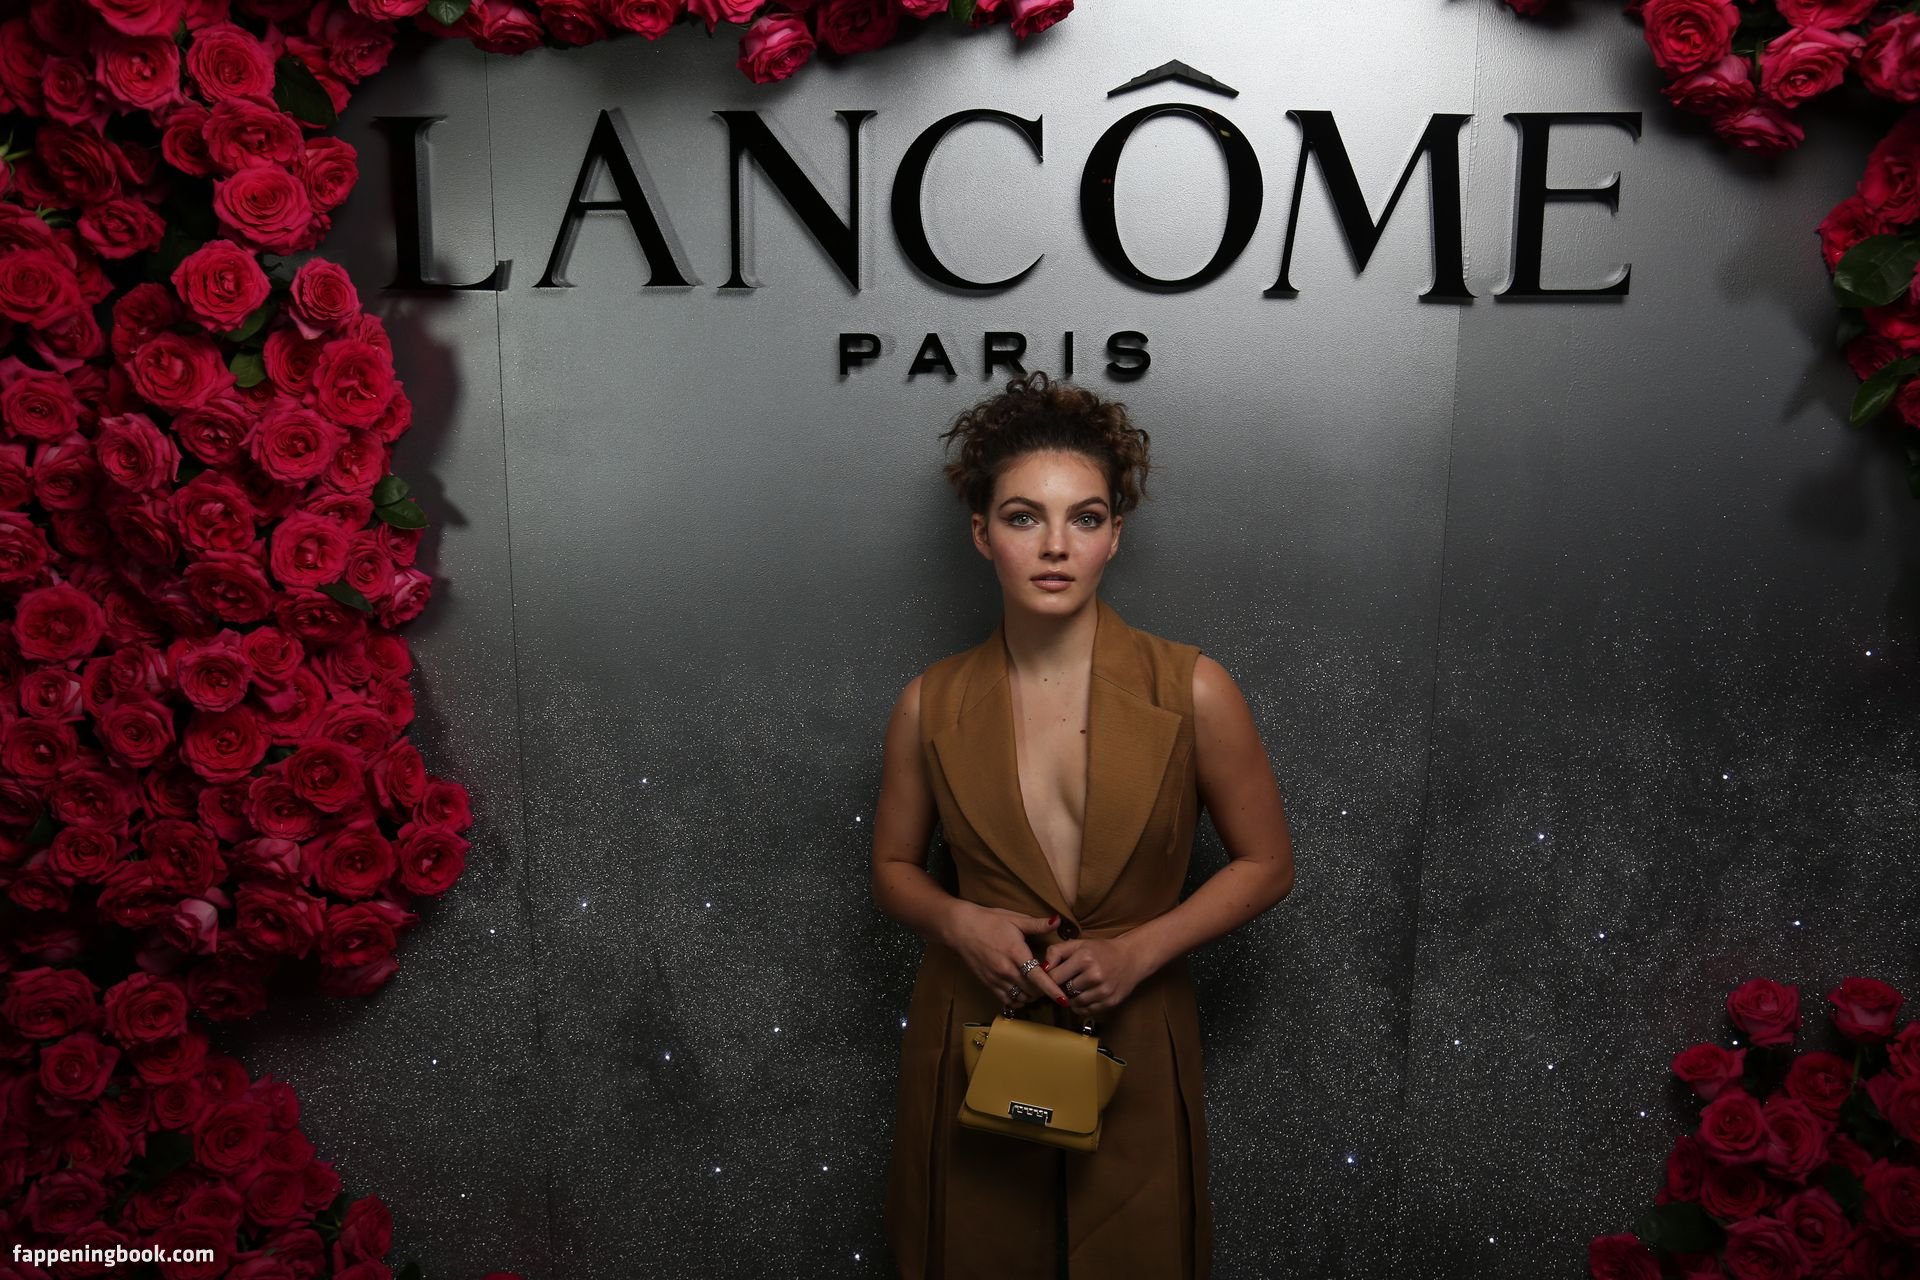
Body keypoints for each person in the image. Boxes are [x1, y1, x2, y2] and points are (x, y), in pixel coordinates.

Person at [871, 370, 1296, 1280]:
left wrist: (1141, 951)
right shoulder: (927, 704)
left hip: (1136, 1027)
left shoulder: (1193, 689)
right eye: (1024, 517)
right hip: (978, 1026)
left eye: (1086, 517)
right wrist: (960, 921)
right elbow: (894, 869)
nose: (1056, 545)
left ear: (1115, 536)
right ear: (982, 534)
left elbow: (1267, 862)